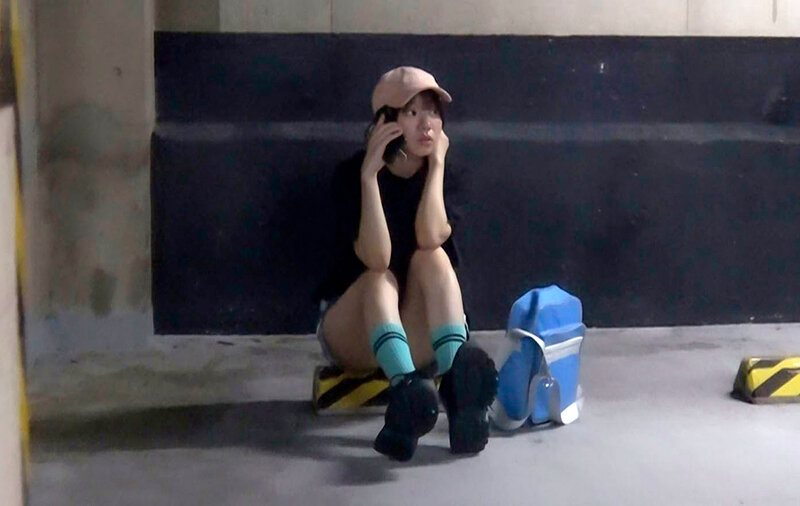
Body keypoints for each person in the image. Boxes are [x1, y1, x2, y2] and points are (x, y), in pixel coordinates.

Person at [316, 66, 497, 461]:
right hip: (355, 331)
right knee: (378, 279)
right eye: (412, 113)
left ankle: (458, 394)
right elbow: (377, 257)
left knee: (434, 258)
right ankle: (406, 392)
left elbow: (430, 236)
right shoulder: (350, 176)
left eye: (432, 111)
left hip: (414, 330)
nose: (426, 123)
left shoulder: (447, 176)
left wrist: (437, 168)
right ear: (385, 123)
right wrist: (369, 177)